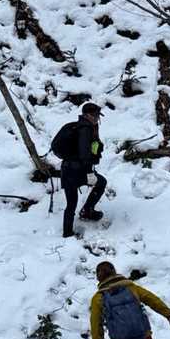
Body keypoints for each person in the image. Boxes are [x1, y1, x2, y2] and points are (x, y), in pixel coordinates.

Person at [52, 102, 106, 239]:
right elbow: (84, 154)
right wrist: (89, 173)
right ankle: (87, 211)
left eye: (98, 115)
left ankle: (68, 232)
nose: (97, 118)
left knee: (71, 203)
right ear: (87, 115)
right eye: (95, 115)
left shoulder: (79, 127)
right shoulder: (85, 129)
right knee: (101, 183)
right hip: (79, 171)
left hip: (67, 170)